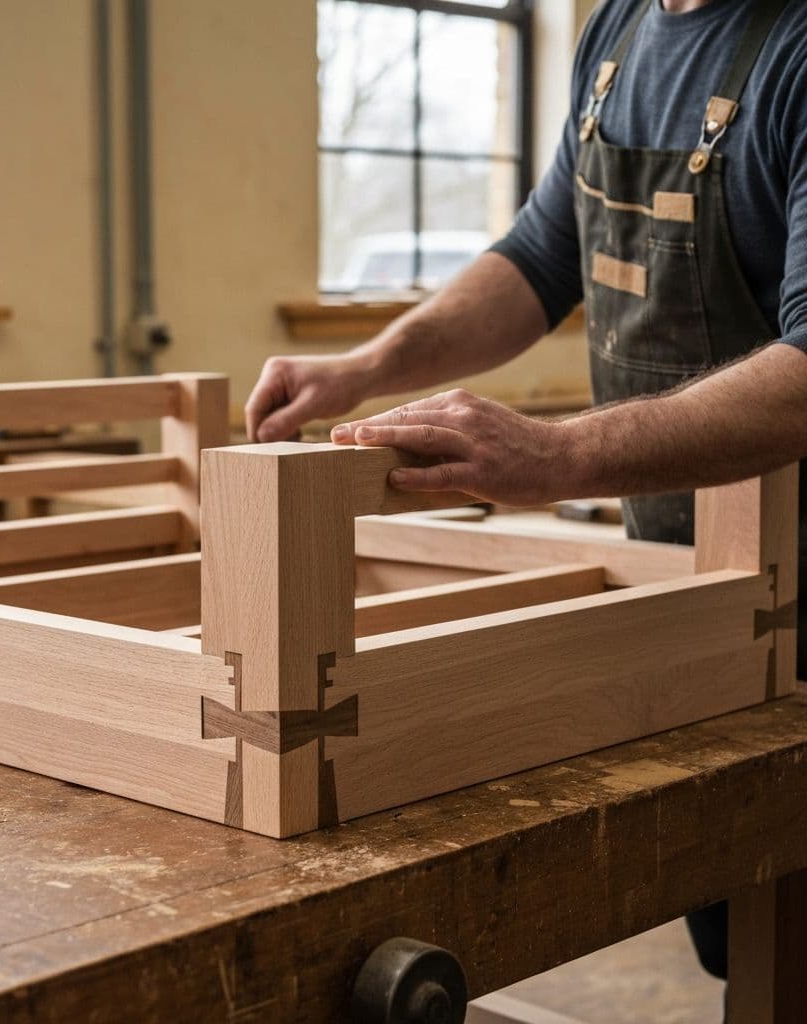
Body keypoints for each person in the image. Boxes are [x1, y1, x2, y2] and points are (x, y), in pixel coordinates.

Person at [245, 0, 807, 987]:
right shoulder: (619, 32)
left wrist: (559, 453)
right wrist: (367, 367)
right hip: (683, 570)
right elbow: (542, 259)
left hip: (793, 584)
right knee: (734, 925)